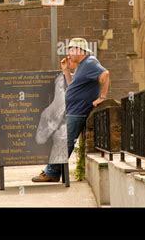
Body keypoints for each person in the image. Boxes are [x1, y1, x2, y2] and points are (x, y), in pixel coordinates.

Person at [32, 38, 110, 182]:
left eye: (71, 49)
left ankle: (52, 173)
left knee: (64, 141)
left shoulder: (90, 63)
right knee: (62, 140)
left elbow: (105, 74)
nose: (68, 53)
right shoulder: (82, 65)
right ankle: (53, 172)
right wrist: (67, 70)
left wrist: (102, 97)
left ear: (80, 50)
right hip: (73, 109)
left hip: (79, 111)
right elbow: (72, 85)